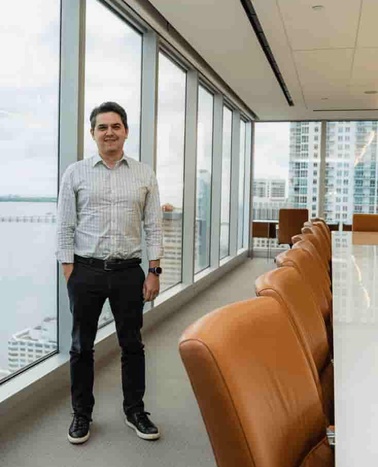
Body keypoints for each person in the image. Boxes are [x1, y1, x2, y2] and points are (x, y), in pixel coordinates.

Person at [56, 101, 163, 445]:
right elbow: (65, 225)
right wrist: (69, 270)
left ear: (126, 131)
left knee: (132, 344)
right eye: (102, 127)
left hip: (129, 272)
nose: (109, 132)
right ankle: (81, 414)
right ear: (93, 133)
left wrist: (154, 270)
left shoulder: (144, 174)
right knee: (80, 348)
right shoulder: (75, 172)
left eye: (115, 126)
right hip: (85, 271)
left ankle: (135, 410)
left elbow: (154, 226)